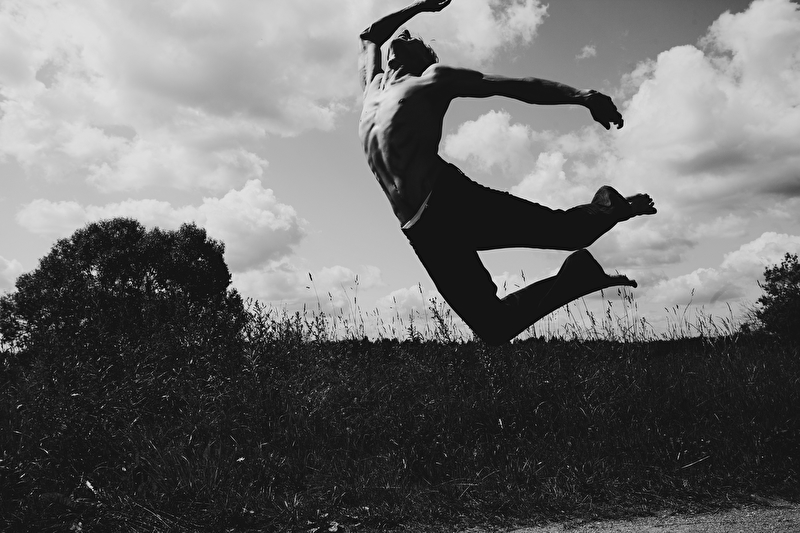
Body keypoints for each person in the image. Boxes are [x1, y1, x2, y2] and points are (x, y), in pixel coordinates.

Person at [358, 0, 656, 345]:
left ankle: (611, 206)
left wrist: (582, 96)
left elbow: (515, 85)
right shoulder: (372, 88)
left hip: (448, 201)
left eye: (413, 39)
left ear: (421, 59)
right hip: (420, 230)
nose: (406, 33)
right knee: (494, 328)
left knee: (569, 233)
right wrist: (422, 5)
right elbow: (370, 35)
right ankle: (579, 277)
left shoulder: (432, 80)